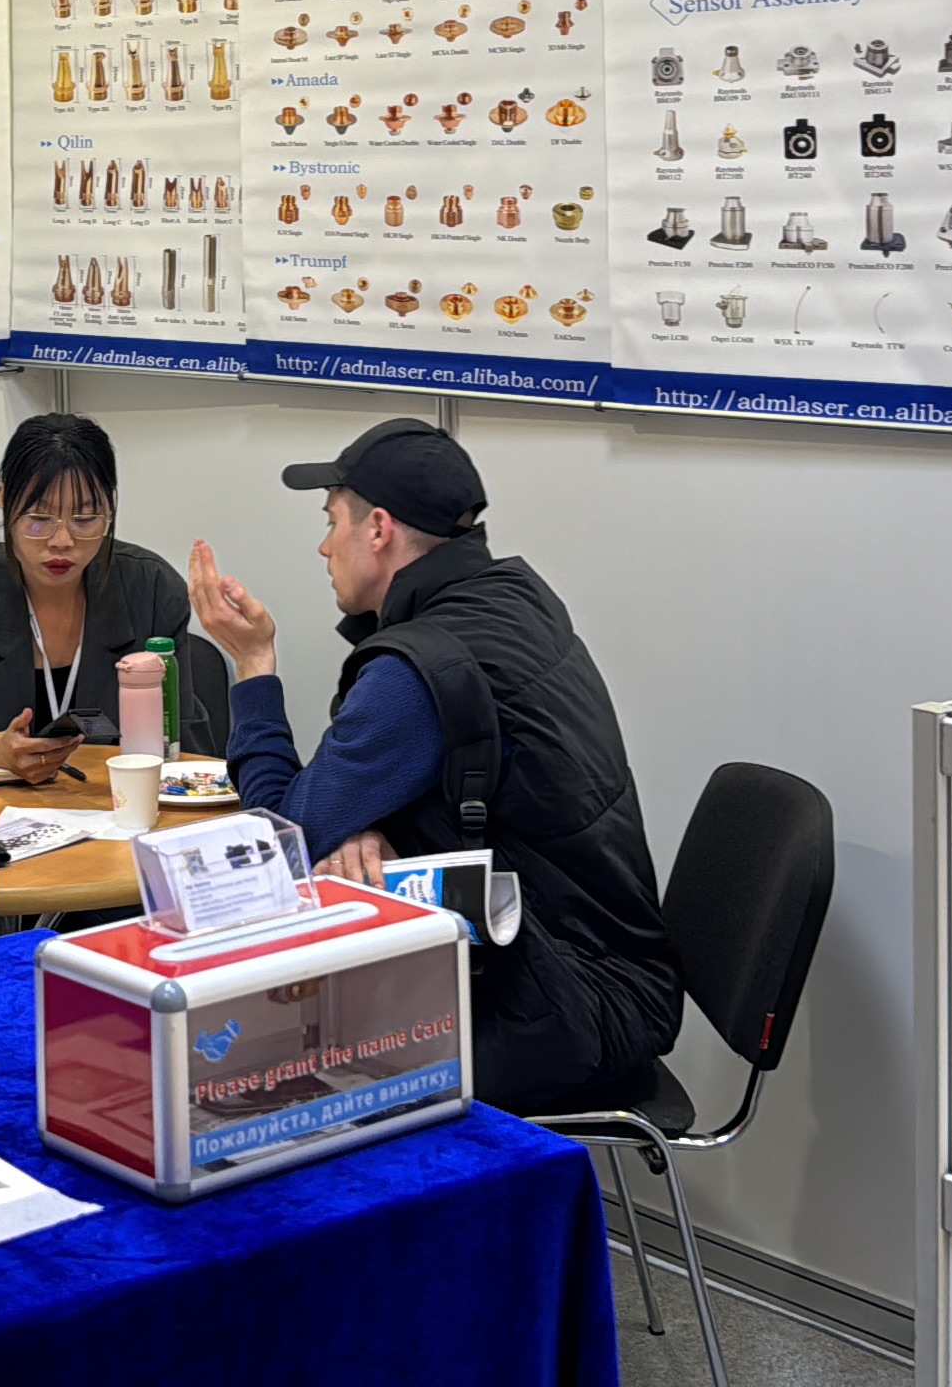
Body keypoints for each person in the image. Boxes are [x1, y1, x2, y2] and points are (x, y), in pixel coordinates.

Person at [185, 417, 681, 1116]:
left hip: (562, 1007)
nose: (323, 546)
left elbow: (280, 842)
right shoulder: (514, 600)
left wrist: (253, 666)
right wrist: (366, 822)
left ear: (378, 529)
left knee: (244, 1070)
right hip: (614, 971)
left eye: (332, 521)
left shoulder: (418, 674)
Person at [0, 413, 232, 785]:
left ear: (109, 509)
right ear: (4, 500)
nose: (62, 541)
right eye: (39, 518)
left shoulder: (151, 588)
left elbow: (181, 742)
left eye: (85, 518)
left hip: (117, 803)